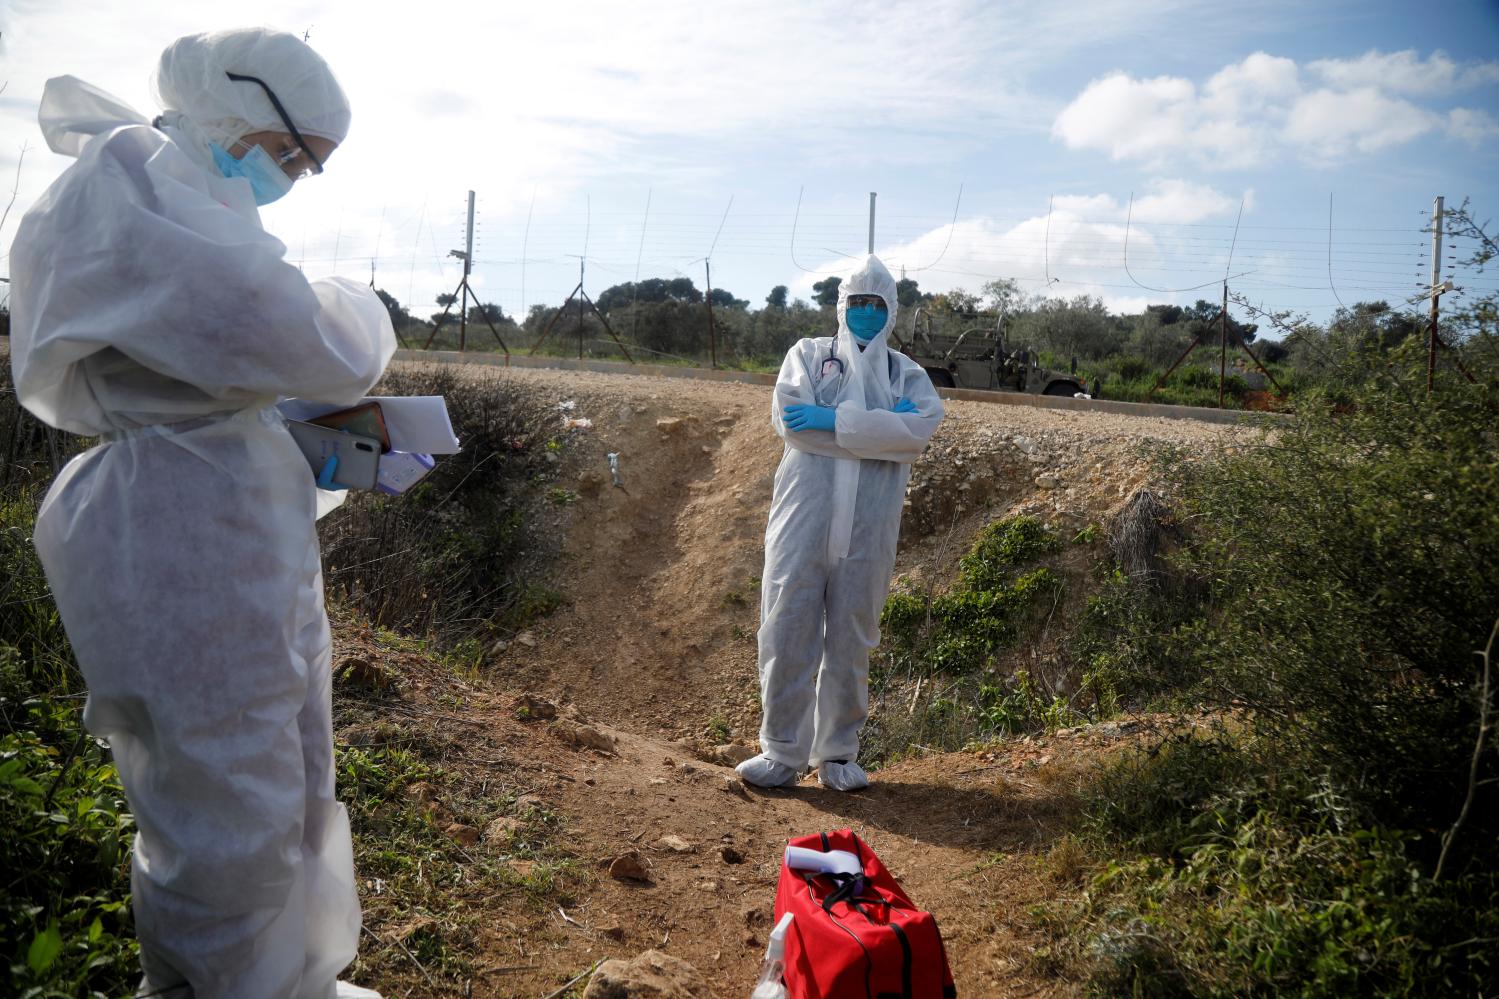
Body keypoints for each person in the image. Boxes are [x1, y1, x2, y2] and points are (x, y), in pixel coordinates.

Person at [9, 29, 395, 999]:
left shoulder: (183, 193)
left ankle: (286, 976)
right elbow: (290, 331)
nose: (296, 179)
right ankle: (222, 986)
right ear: (235, 110)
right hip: (177, 527)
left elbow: (221, 352)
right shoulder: (130, 178)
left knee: (286, 768)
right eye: (293, 154)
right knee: (223, 798)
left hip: (219, 510)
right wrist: (357, 307)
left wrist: (289, 423)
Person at [737, 255, 944, 792]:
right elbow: (793, 425)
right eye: (858, 302)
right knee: (786, 625)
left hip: (868, 528)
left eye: (877, 304)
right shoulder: (807, 356)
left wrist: (836, 421)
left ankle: (837, 754)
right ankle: (782, 751)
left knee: (852, 635)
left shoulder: (907, 373)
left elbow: (918, 433)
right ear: (841, 306)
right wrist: (883, 426)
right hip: (803, 518)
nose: (867, 313)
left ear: (892, 310)